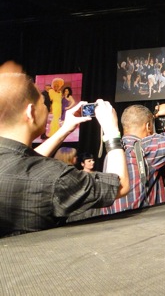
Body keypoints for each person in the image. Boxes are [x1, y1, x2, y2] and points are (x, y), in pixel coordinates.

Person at [0, 69, 129, 237]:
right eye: (44, 103)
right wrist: (111, 130)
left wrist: (64, 130)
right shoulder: (55, 177)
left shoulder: (10, 161)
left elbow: (20, 162)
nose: (47, 108)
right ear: (31, 112)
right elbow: (119, 185)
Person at [101, 102, 165, 215]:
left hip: (112, 220)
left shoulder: (113, 152)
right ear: (148, 126)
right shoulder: (146, 146)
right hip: (142, 221)